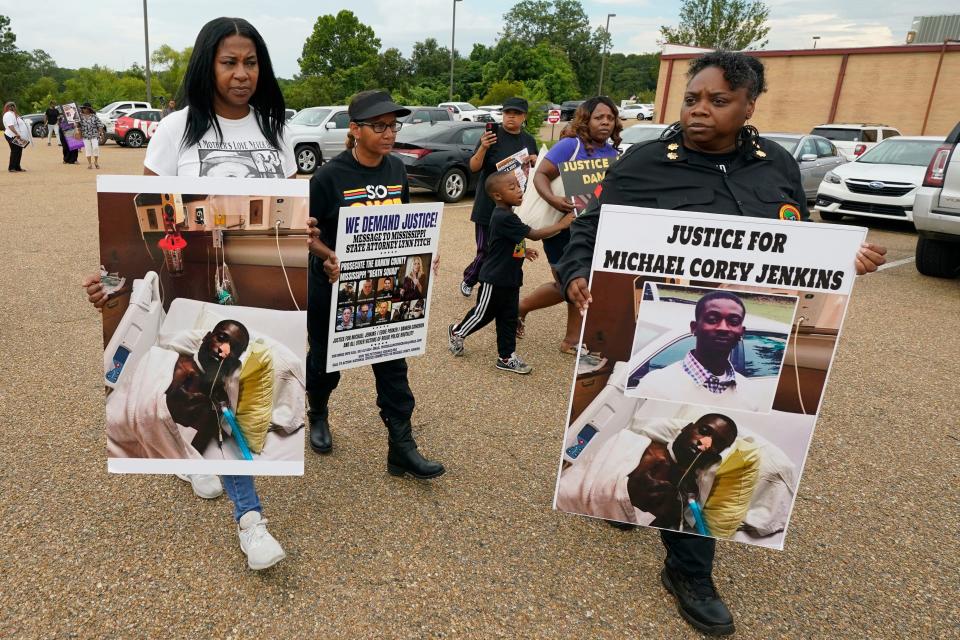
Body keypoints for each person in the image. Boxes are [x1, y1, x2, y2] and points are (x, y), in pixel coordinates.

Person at [557, 51, 888, 636]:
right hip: (656, 330)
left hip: (742, 346)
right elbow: (592, 226)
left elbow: (797, 243)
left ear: (748, 106)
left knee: (701, 449)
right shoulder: (644, 163)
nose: (699, 111)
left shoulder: (777, 166)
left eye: (717, 101)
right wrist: (578, 272)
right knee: (637, 425)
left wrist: (842, 258)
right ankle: (631, 504)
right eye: (691, 99)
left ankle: (688, 570)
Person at [81, 16, 295, 571]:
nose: (242, 74)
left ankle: (198, 455)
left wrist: (322, 253)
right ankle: (252, 520)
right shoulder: (178, 129)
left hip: (248, 280)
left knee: (234, 384)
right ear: (208, 65)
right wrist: (109, 283)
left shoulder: (277, 129)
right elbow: (136, 216)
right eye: (229, 62)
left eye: (251, 63)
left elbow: (295, 211)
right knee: (216, 387)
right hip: (189, 276)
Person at [305, 89, 444, 479]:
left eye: (392, 125)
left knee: (393, 366)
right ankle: (317, 412)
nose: (388, 133)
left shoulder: (396, 169)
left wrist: (423, 250)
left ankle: (402, 447)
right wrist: (326, 255)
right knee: (324, 364)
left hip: (387, 287)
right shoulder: (329, 177)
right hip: (334, 288)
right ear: (355, 130)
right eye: (379, 126)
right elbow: (306, 234)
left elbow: (404, 222)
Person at [517, 97, 621, 354]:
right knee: (568, 286)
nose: (606, 122)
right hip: (562, 228)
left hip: (591, 230)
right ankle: (519, 308)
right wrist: (555, 200)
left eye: (610, 118)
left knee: (580, 284)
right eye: (599, 117)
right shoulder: (569, 146)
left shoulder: (614, 154)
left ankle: (571, 341)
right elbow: (541, 174)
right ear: (587, 119)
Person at [448, 171, 574, 374]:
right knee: (483, 314)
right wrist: (562, 224)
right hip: (494, 279)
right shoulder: (502, 216)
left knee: (508, 318)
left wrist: (523, 252)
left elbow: (507, 242)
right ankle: (457, 331)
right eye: (512, 187)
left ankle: (506, 357)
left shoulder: (509, 216)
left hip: (511, 279)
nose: (519, 190)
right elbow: (532, 234)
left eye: (518, 185)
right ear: (498, 196)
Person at [556, 414, 737, 528]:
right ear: (686, 429)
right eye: (703, 431)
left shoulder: (688, 494)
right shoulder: (631, 444)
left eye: (717, 443)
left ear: (716, 456)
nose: (705, 443)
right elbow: (577, 487)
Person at [631, 291, 767, 412]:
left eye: (733, 321)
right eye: (712, 319)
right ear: (694, 328)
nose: (724, 328)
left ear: (741, 333)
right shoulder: (655, 386)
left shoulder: (751, 394)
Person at [460, 97, 538, 297]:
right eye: (507, 112)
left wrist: (535, 161)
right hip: (488, 205)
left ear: (524, 116)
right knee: (486, 250)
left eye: (516, 113)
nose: (511, 116)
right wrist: (483, 147)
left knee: (515, 249)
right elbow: (474, 167)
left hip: (517, 206)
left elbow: (535, 169)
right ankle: (470, 278)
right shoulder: (491, 137)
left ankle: (507, 285)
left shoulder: (528, 141)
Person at [3, 101, 30, 172]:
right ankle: (11, 167)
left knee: (19, 149)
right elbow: (10, 126)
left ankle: (17, 167)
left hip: (16, 135)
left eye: (14, 106)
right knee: (15, 150)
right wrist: (17, 133)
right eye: (12, 106)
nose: (14, 107)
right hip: (11, 135)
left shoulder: (13, 114)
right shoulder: (8, 114)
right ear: (9, 107)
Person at [77, 102, 101, 169]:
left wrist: (101, 131)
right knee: (88, 149)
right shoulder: (80, 117)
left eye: (85, 108)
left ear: (89, 109)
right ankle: (89, 163)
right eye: (83, 108)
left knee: (95, 147)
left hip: (94, 134)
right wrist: (79, 132)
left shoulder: (94, 116)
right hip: (85, 136)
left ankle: (96, 162)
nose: (84, 109)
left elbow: (99, 124)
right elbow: (78, 126)